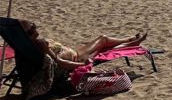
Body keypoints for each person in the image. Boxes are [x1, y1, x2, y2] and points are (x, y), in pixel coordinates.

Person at [19, 20, 148, 72]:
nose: (35, 29)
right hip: (77, 58)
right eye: (32, 27)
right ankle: (129, 40)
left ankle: (130, 42)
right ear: (29, 33)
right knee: (103, 40)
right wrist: (82, 65)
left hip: (75, 52)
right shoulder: (41, 44)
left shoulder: (26, 45)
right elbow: (59, 62)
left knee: (103, 47)